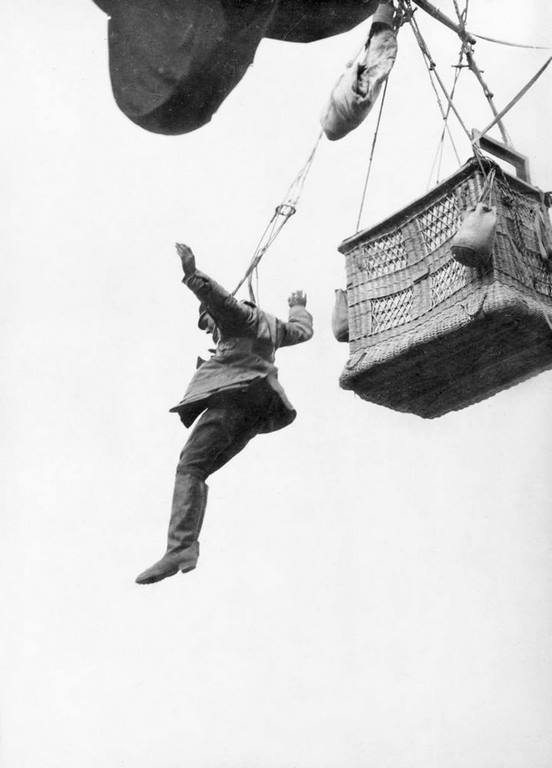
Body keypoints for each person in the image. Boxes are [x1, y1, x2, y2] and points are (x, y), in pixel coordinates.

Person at [135, 243, 313, 584]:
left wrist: (191, 274)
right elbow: (302, 331)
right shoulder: (273, 327)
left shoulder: (238, 318)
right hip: (258, 408)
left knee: (189, 466)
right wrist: (298, 308)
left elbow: (220, 301)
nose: (210, 332)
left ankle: (181, 547)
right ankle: (182, 547)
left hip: (236, 397)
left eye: (208, 325)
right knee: (197, 469)